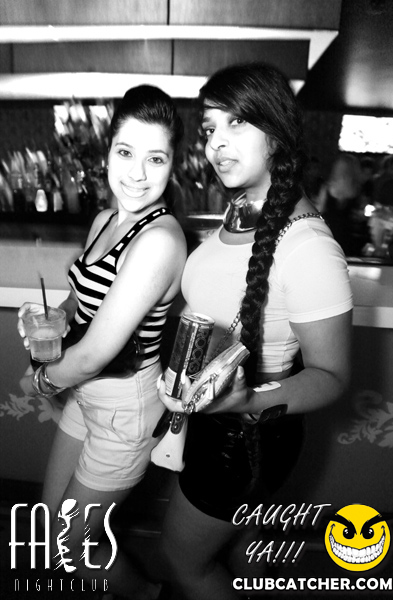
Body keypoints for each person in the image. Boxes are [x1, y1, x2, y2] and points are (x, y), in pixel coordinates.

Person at [157, 63, 353, 600]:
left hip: (243, 438)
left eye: (236, 122)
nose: (215, 143)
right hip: (214, 422)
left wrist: (246, 401)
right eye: (209, 128)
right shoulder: (244, 208)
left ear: (277, 130)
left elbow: (332, 376)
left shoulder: (309, 248)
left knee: (182, 560)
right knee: (240, 553)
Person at [17, 85, 187, 600]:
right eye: (126, 152)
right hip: (87, 395)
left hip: (124, 405)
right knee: (50, 525)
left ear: (173, 164)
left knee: (69, 544)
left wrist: (40, 380)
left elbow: (93, 354)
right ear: (107, 152)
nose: (137, 173)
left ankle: (145, 594)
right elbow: (80, 300)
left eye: (155, 158)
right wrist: (53, 317)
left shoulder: (159, 241)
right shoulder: (105, 220)